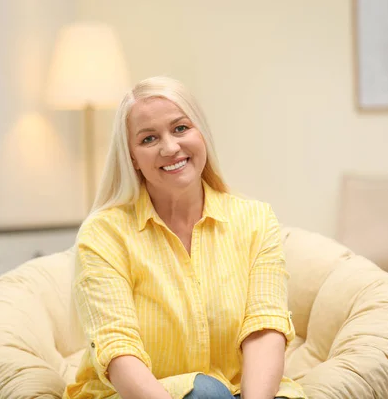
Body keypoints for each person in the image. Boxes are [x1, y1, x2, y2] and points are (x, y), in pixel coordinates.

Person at [64, 76, 306, 399]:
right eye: (149, 138)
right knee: (205, 393)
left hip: (244, 393)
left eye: (180, 128)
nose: (170, 147)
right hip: (136, 395)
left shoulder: (256, 220)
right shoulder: (103, 234)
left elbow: (265, 330)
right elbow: (119, 353)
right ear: (132, 157)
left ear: (201, 133)